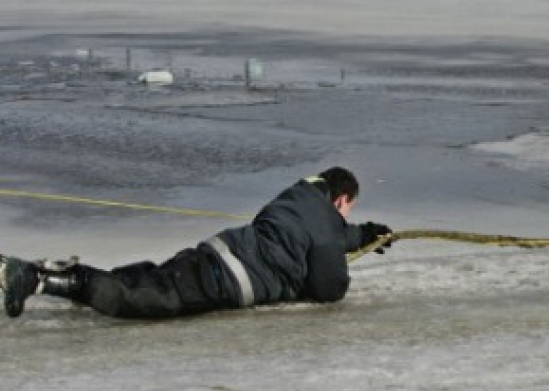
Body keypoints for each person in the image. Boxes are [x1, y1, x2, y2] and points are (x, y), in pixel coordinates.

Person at [1, 167, 393, 319]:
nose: (345, 218)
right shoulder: (324, 224)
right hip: (223, 279)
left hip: (212, 256)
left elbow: (319, 234)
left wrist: (363, 234)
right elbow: (329, 289)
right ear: (341, 200)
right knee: (141, 301)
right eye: (349, 210)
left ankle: (52, 276)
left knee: (149, 279)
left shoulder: (297, 200)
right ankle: (34, 277)